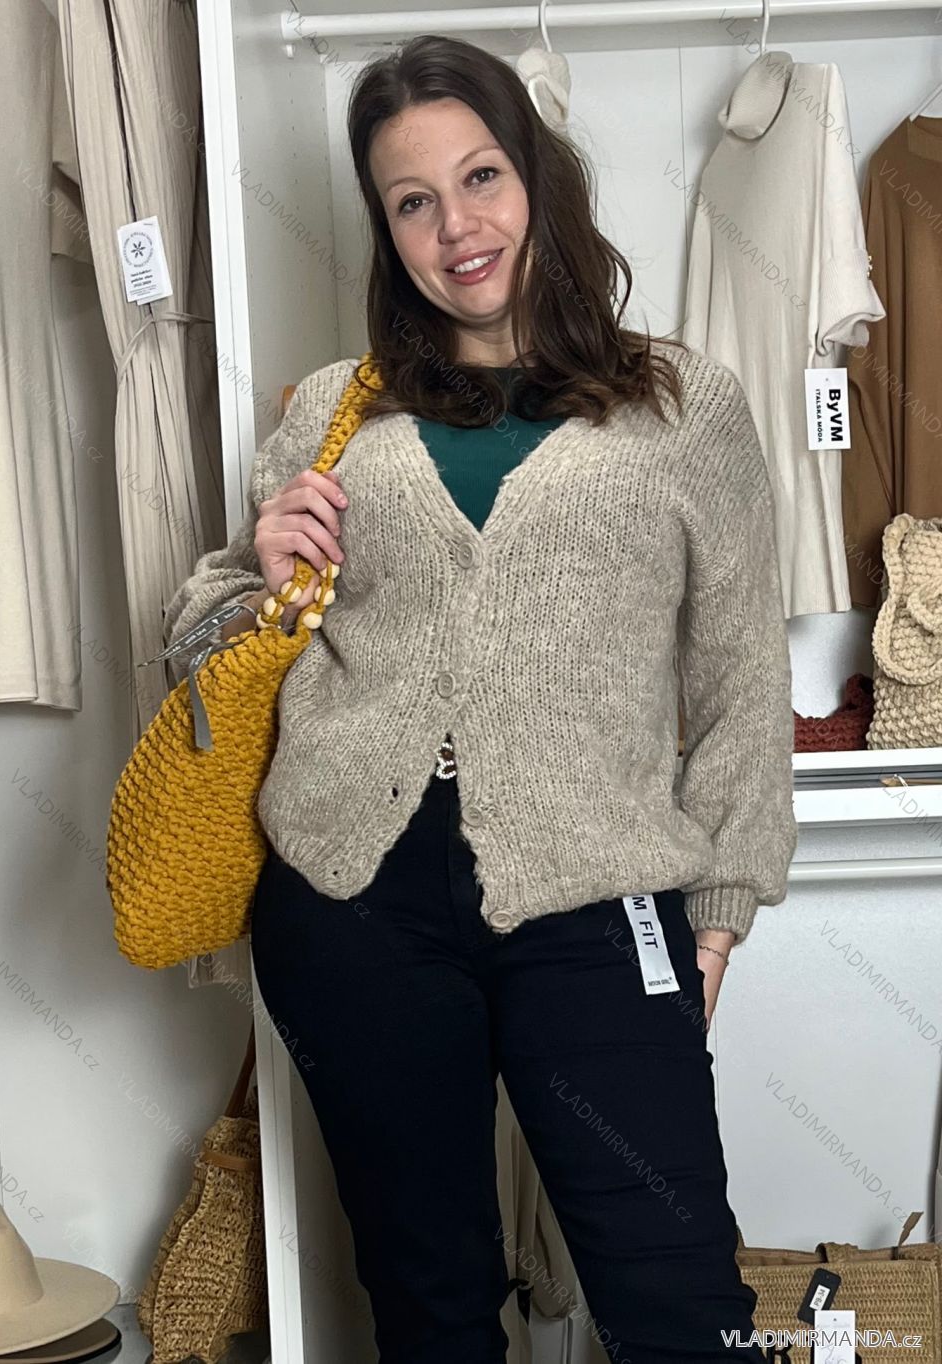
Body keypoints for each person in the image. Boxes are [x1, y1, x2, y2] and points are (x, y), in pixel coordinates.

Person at [163, 34, 798, 1364]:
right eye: (413, 200)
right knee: (431, 1306)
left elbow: (742, 671)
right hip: (356, 902)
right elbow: (201, 645)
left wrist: (721, 913)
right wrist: (258, 572)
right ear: (385, 229)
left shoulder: (680, 403)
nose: (456, 227)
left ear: (536, 177)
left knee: (683, 1306)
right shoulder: (335, 411)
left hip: (594, 899)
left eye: (481, 177)